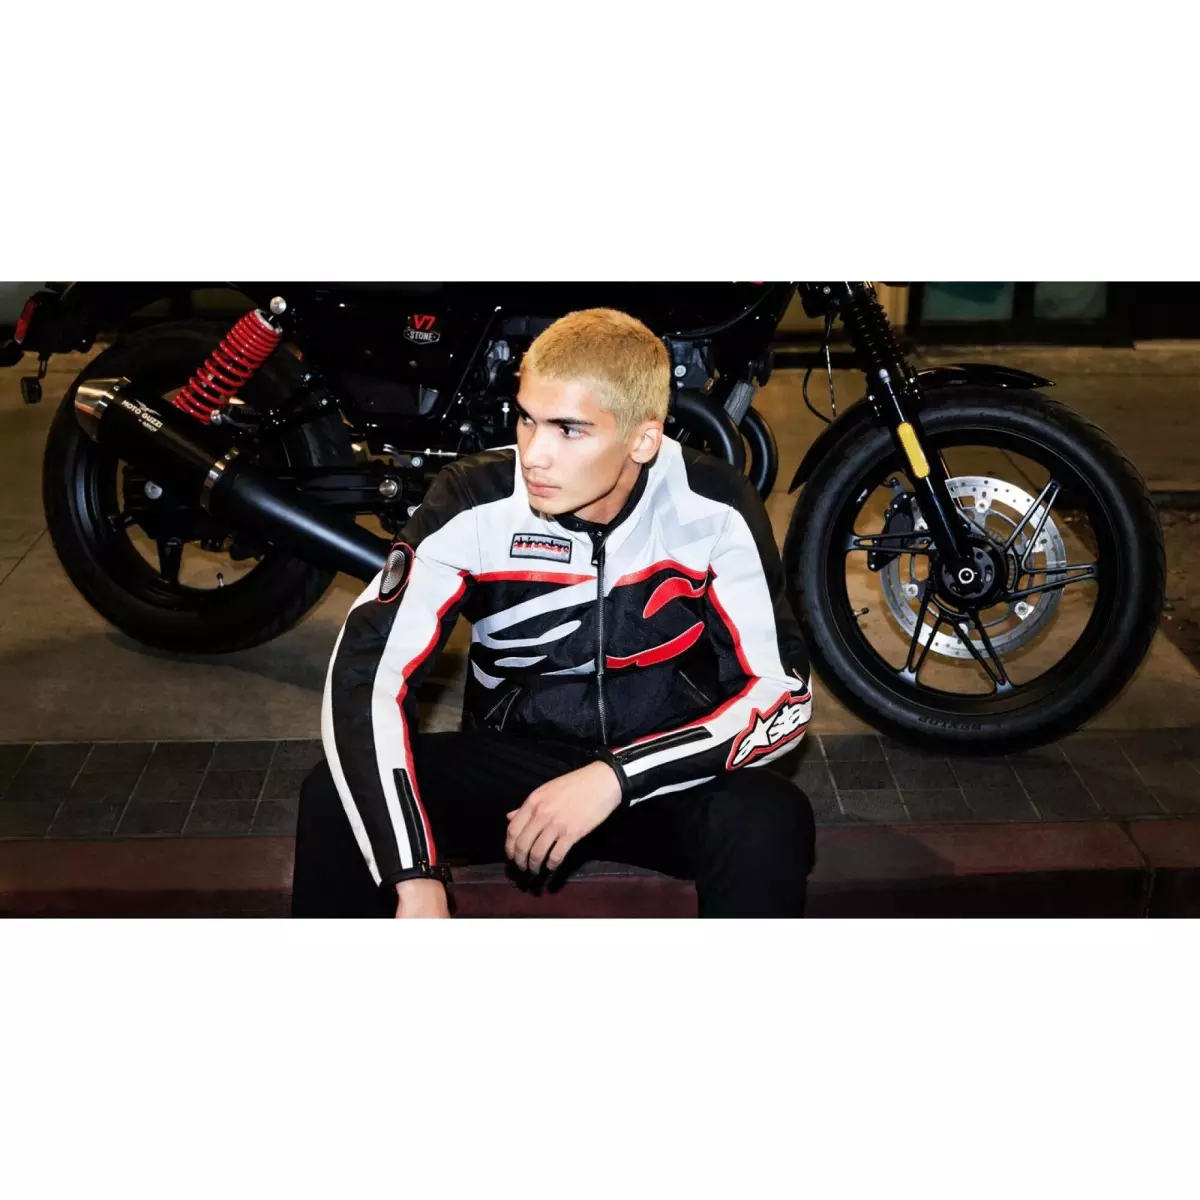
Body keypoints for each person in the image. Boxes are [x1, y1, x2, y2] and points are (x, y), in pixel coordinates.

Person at [292, 308, 815, 919]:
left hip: (660, 778)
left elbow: (783, 693)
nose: (534, 455)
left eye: (569, 430)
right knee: (334, 796)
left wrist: (616, 776)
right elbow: (364, 678)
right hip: (519, 781)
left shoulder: (714, 505)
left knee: (771, 818)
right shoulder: (473, 498)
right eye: (526, 419)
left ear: (643, 439)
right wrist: (412, 875)